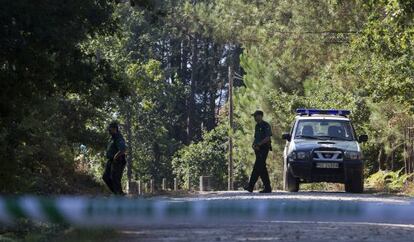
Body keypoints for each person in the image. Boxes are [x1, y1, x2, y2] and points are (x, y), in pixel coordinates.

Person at [245, 110, 273, 193]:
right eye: (254, 116)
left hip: (264, 148)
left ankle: (250, 186)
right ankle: (267, 187)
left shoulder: (266, 125)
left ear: (260, 116)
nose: (254, 118)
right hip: (258, 149)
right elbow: (256, 138)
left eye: (255, 116)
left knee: (257, 167)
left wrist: (259, 144)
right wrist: (254, 145)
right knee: (261, 168)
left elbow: (268, 138)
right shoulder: (257, 126)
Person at [103, 121, 127, 195]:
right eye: (109, 129)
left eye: (110, 129)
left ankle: (119, 194)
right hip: (110, 161)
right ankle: (116, 193)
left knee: (115, 179)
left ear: (115, 129)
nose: (109, 130)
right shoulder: (112, 138)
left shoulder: (118, 137)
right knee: (105, 177)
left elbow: (123, 149)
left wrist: (115, 156)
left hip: (118, 161)